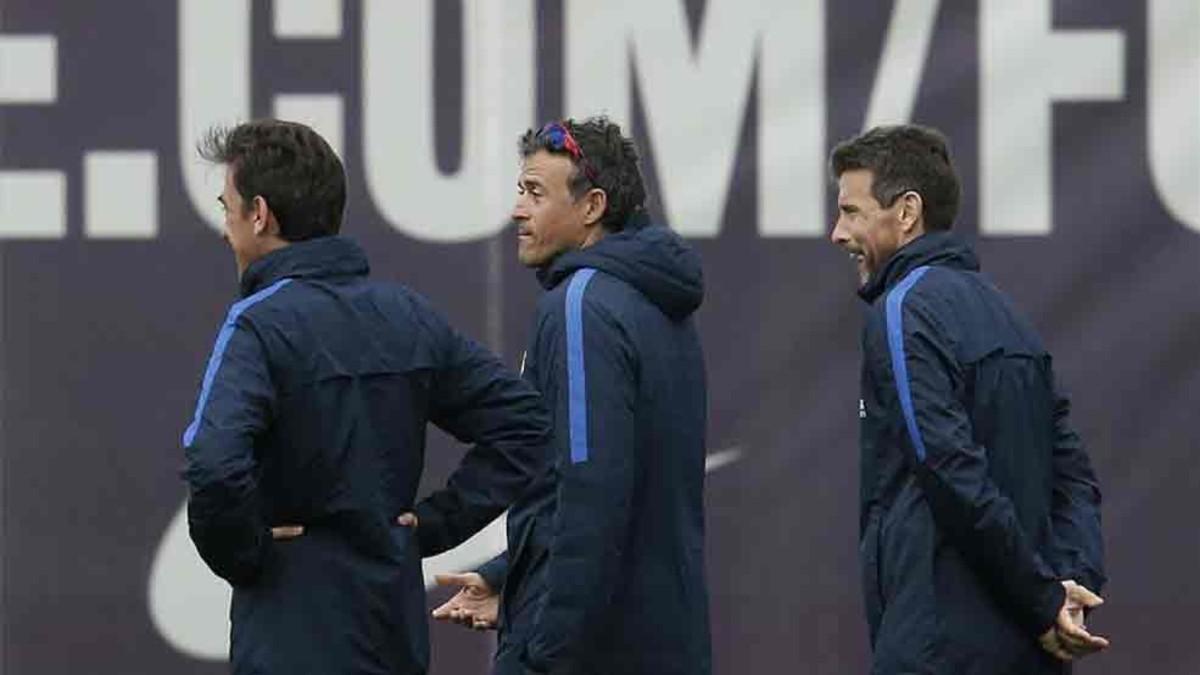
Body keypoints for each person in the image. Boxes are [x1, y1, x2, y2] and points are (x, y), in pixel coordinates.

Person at [181, 119, 551, 675]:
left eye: (226, 206)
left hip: (289, 634)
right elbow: (526, 425)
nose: (225, 227)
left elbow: (212, 461)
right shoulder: (405, 314)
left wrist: (247, 553)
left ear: (259, 215)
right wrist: (432, 526)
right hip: (390, 630)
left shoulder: (257, 324)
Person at [411, 116, 711, 675]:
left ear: (592, 206)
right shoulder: (649, 301)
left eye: (534, 192)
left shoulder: (580, 306)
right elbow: (608, 496)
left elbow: (591, 495)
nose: (517, 210)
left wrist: (545, 651)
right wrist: (512, 576)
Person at [828, 124, 1108, 673]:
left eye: (852, 211)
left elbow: (947, 467)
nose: (838, 232)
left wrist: (1045, 599)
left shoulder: (903, 309)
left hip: (938, 650)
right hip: (1030, 647)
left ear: (906, 212)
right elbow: (1074, 477)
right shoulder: (1008, 314)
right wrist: (1067, 591)